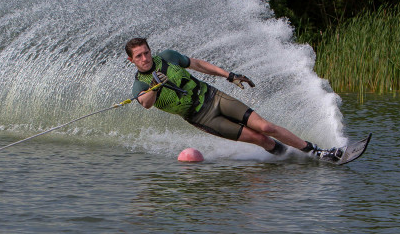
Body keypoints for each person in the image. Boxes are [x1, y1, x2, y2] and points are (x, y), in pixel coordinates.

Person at [125, 37, 340, 161]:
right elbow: (146, 103)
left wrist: (229, 75)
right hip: (202, 117)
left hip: (214, 97)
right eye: (139, 56)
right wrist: (156, 86)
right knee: (260, 139)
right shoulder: (140, 84)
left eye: (146, 53)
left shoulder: (168, 57)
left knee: (265, 126)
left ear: (150, 50)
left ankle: (317, 152)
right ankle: (291, 157)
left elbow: (198, 64)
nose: (145, 59)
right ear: (131, 60)